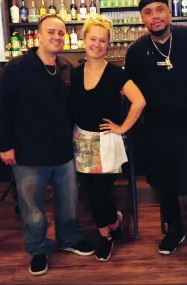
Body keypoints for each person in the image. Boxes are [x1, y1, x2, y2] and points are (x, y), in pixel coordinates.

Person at [0, 15, 95, 276]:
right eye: (51, 32)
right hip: (27, 152)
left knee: (68, 202)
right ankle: (38, 248)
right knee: (32, 207)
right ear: (38, 35)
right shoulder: (16, 68)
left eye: (61, 33)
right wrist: (4, 145)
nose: (57, 37)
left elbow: (75, 104)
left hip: (62, 150)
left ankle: (68, 239)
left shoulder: (65, 68)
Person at [124, 0, 187, 280]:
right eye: (148, 12)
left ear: (169, 12)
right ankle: (175, 230)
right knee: (165, 185)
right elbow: (131, 90)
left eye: (160, 9)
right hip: (156, 128)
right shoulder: (136, 51)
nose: (155, 16)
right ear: (142, 18)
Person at [70, 16, 145, 262]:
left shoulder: (115, 73)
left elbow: (139, 101)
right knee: (90, 195)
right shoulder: (74, 73)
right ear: (84, 39)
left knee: (100, 194)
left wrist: (122, 128)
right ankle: (112, 226)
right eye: (93, 38)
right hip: (82, 142)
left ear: (108, 45)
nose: (97, 44)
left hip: (107, 142)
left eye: (103, 40)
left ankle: (107, 235)